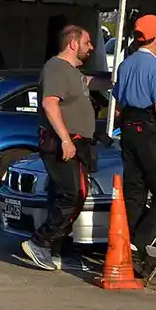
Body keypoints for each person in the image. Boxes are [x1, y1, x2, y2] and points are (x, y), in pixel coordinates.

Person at [19, 25, 97, 271]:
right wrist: (65, 139)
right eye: (88, 42)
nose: (92, 47)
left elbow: (90, 83)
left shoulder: (73, 72)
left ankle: (59, 248)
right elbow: (49, 104)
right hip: (61, 143)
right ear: (73, 44)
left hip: (77, 143)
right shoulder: (56, 68)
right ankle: (40, 241)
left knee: (70, 195)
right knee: (71, 194)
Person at [112, 14, 156, 279]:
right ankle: (136, 245)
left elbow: (119, 106)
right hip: (150, 130)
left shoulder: (125, 64)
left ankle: (125, 249)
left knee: (135, 193)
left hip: (129, 129)